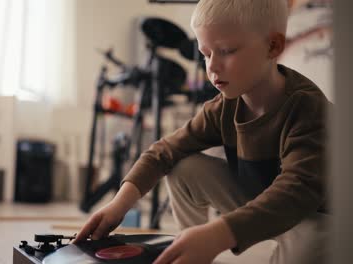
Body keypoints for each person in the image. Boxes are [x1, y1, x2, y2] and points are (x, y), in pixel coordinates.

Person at [74, 0, 331, 263]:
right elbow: (164, 150)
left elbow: (296, 193)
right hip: (260, 199)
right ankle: (192, 252)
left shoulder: (307, 107)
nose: (212, 67)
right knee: (184, 167)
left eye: (226, 51)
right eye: (206, 54)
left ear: (273, 46)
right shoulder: (223, 107)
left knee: (316, 235)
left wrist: (219, 234)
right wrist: (119, 204)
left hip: (312, 216)